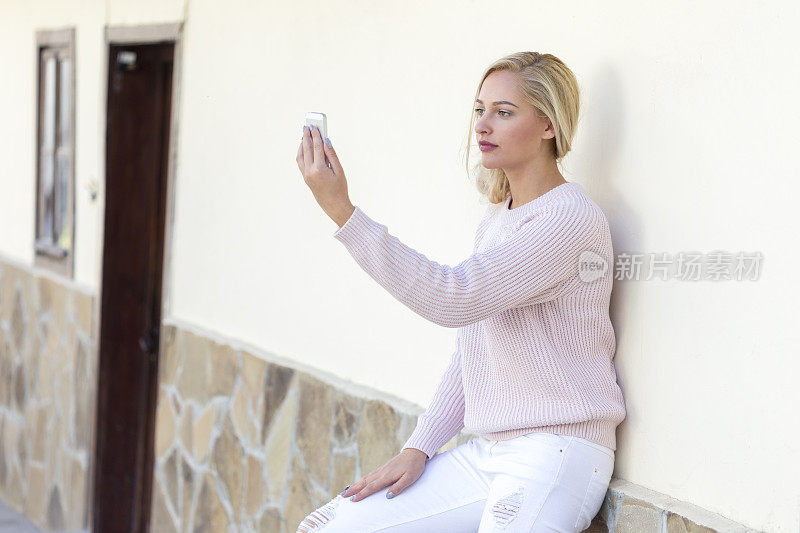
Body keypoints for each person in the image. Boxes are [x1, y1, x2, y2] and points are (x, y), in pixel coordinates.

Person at [294, 51, 626, 532]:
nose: (483, 125)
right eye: (479, 110)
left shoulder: (568, 220)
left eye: (503, 112)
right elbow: (472, 348)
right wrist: (419, 447)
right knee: (329, 526)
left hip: (556, 451)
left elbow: (454, 299)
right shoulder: (497, 220)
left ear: (549, 125)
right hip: (488, 451)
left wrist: (343, 212)